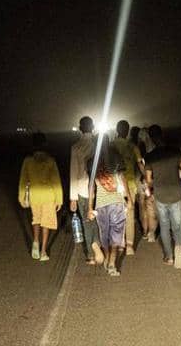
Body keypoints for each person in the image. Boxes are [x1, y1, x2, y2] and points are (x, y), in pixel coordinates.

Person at [144, 125, 181, 269]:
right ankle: (179, 247)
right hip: (176, 192)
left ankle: (169, 257)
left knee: (164, 226)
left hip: (160, 194)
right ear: (162, 135)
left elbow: (148, 179)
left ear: (151, 138)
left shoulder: (150, 156)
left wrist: (152, 187)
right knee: (177, 225)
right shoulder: (175, 151)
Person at [18, 132, 63, 262]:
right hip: (48, 196)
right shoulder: (50, 161)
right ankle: (43, 252)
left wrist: (21, 196)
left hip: (35, 195)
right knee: (46, 223)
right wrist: (59, 199)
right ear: (45, 144)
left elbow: (23, 180)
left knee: (36, 220)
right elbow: (56, 181)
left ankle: (36, 241)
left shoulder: (28, 161)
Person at [87, 147, 131, 276]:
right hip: (116, 202)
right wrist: (129, 199)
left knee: (105, 234)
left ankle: (107, 258)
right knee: (116, 234)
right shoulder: (115, 157)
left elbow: (91, 187)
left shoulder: (92, 162)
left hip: (101, 204)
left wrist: (90, 207)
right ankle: (112, 262)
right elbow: (123, 179)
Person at [69, 116, 103, 265]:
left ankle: (91, 253)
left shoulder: (76, 147)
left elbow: (73, 173)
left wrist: (73, 198)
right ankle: (98, 242)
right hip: (100, 187)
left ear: (80, 128)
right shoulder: (98, 144)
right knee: (97, 219)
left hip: (82, 189)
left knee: (87, 222)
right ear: (93, 127)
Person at [111, 120, 144, 255]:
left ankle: (120, 243)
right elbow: (140, 164)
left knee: (117, 215)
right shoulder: (132, 146)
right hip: (130, 184)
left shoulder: (111, 145)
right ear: (128, 131)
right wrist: (146, 177)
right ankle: (130, 246)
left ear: (116, 130)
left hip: (114, 185)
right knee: (130, 214)